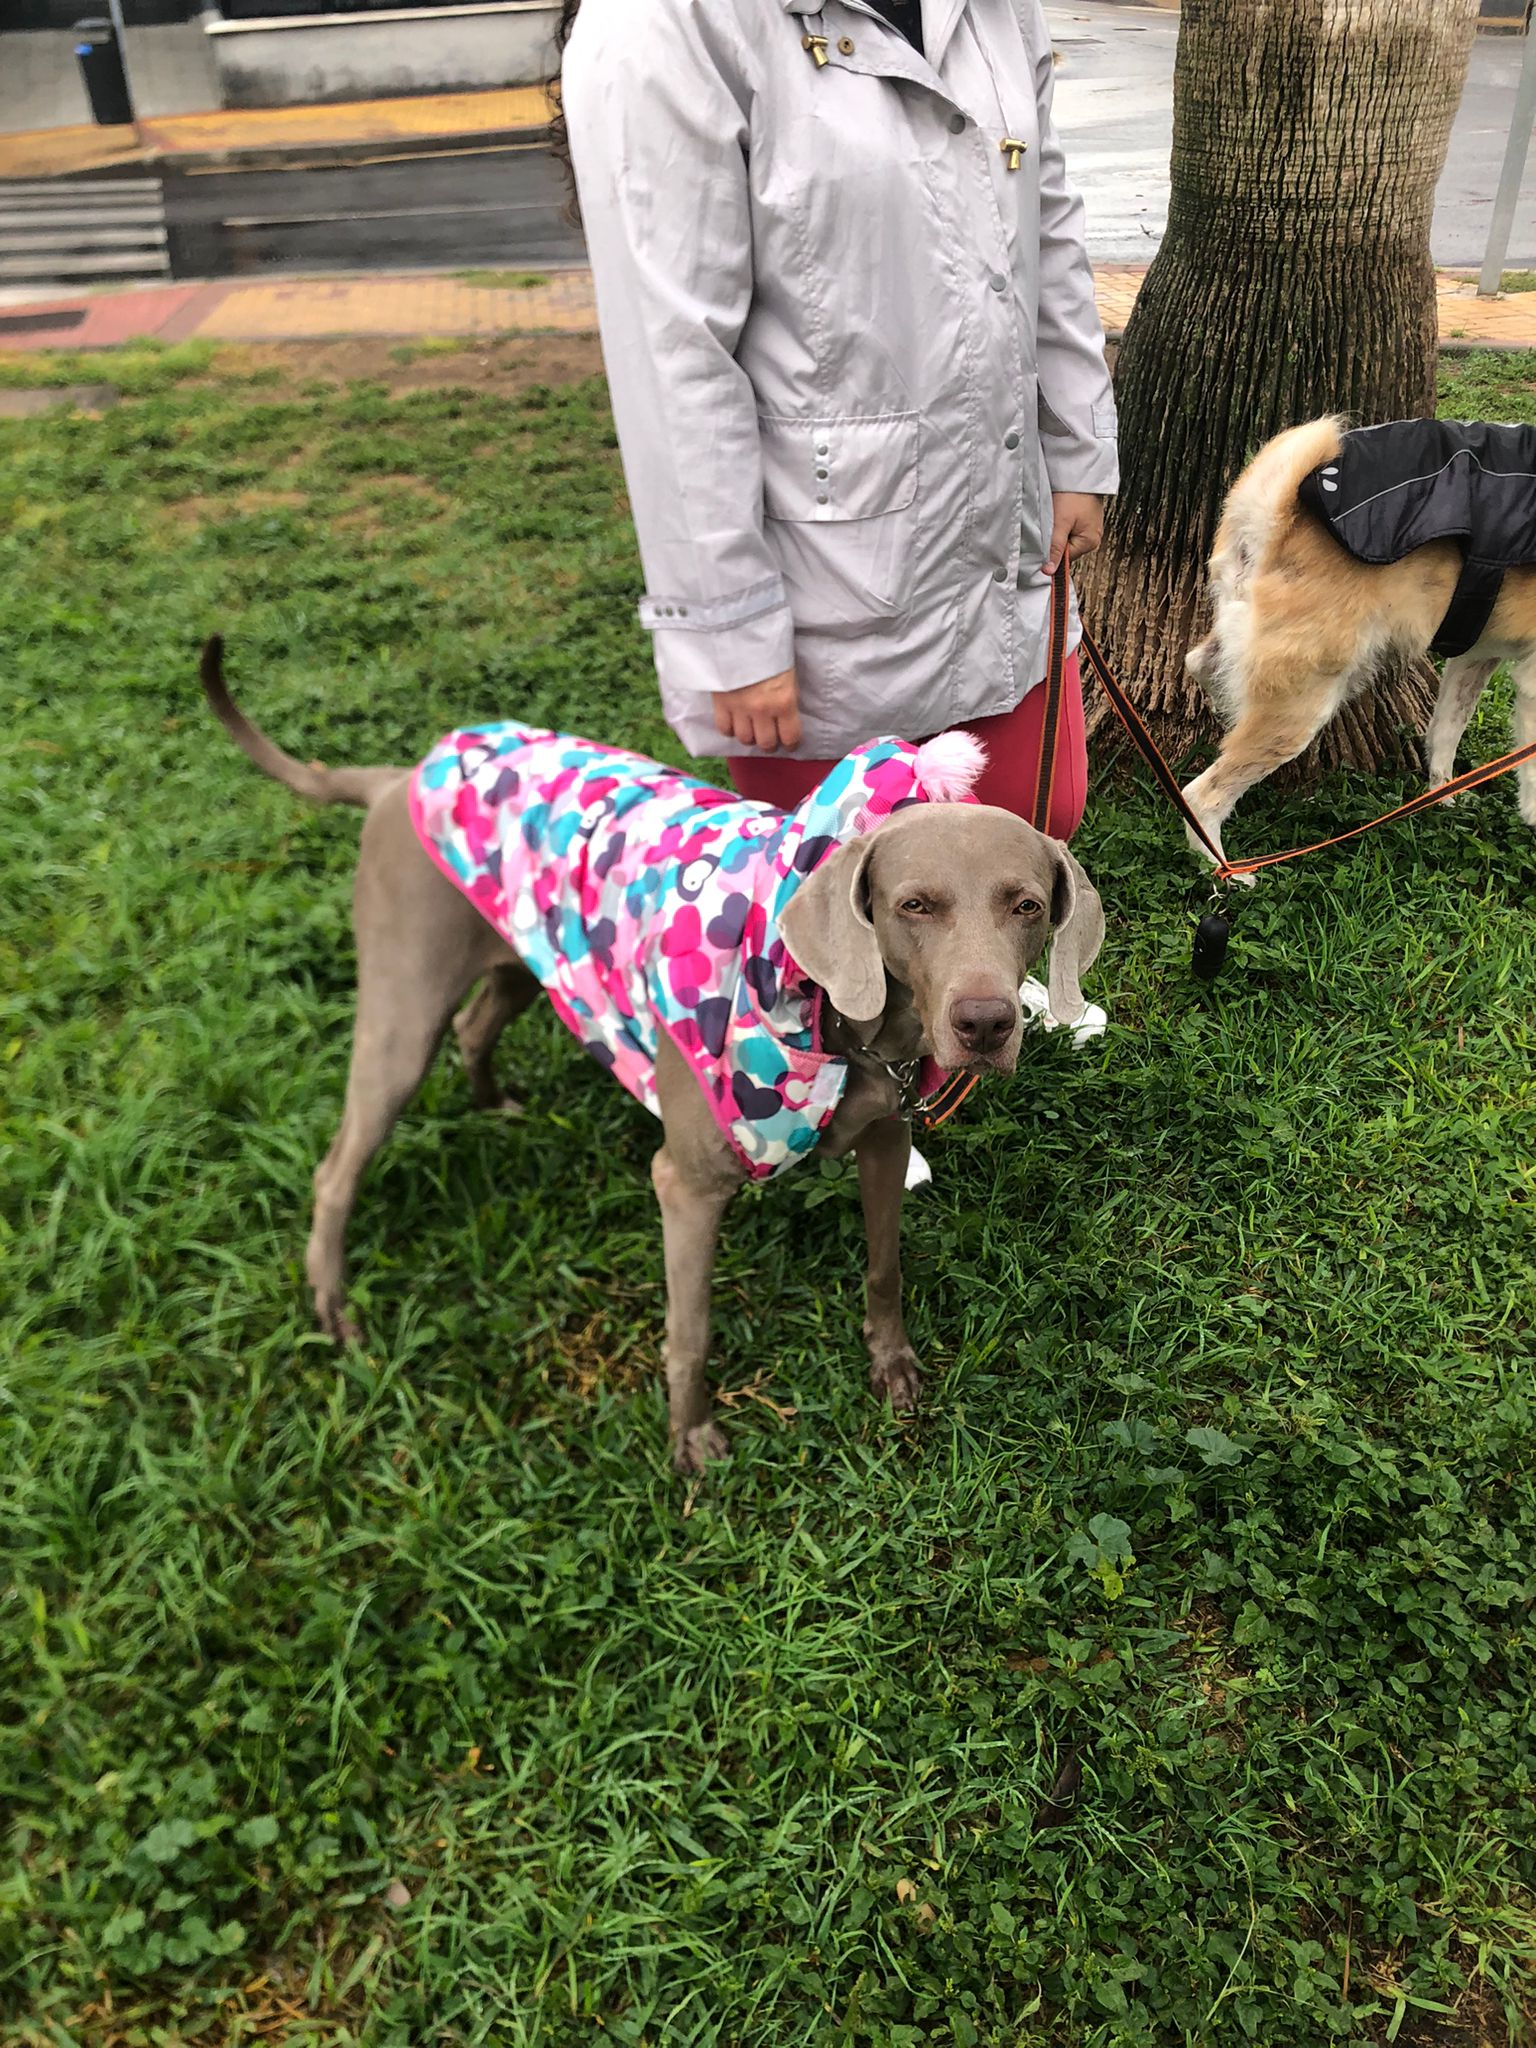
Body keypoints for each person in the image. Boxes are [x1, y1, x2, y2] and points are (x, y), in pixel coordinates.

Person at [556, 0, 1115, 1166]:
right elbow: (672, 346)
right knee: (825, 891)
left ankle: (946, 1024)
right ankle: (852, 1084)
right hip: (821, 571)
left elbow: (1046, 230)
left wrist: (1077, 442)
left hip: (996, 513)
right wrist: (729, 619)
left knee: (1036, 809)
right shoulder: (666, 25)